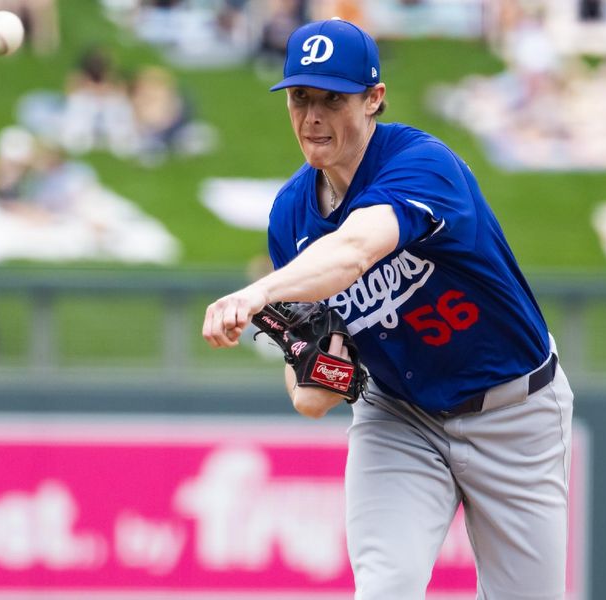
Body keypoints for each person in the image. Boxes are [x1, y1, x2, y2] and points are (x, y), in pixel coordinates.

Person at [202, 18, 574, 600]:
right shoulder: (291, 217)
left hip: (514, 411)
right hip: (400, 416)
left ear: (374, 99)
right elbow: (311, 396)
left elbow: (355, 248)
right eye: (300, 97)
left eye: (332, 98)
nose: (312, 117)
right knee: (385, 588)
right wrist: (320, 369)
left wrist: (258, 293)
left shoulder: (423, 163)